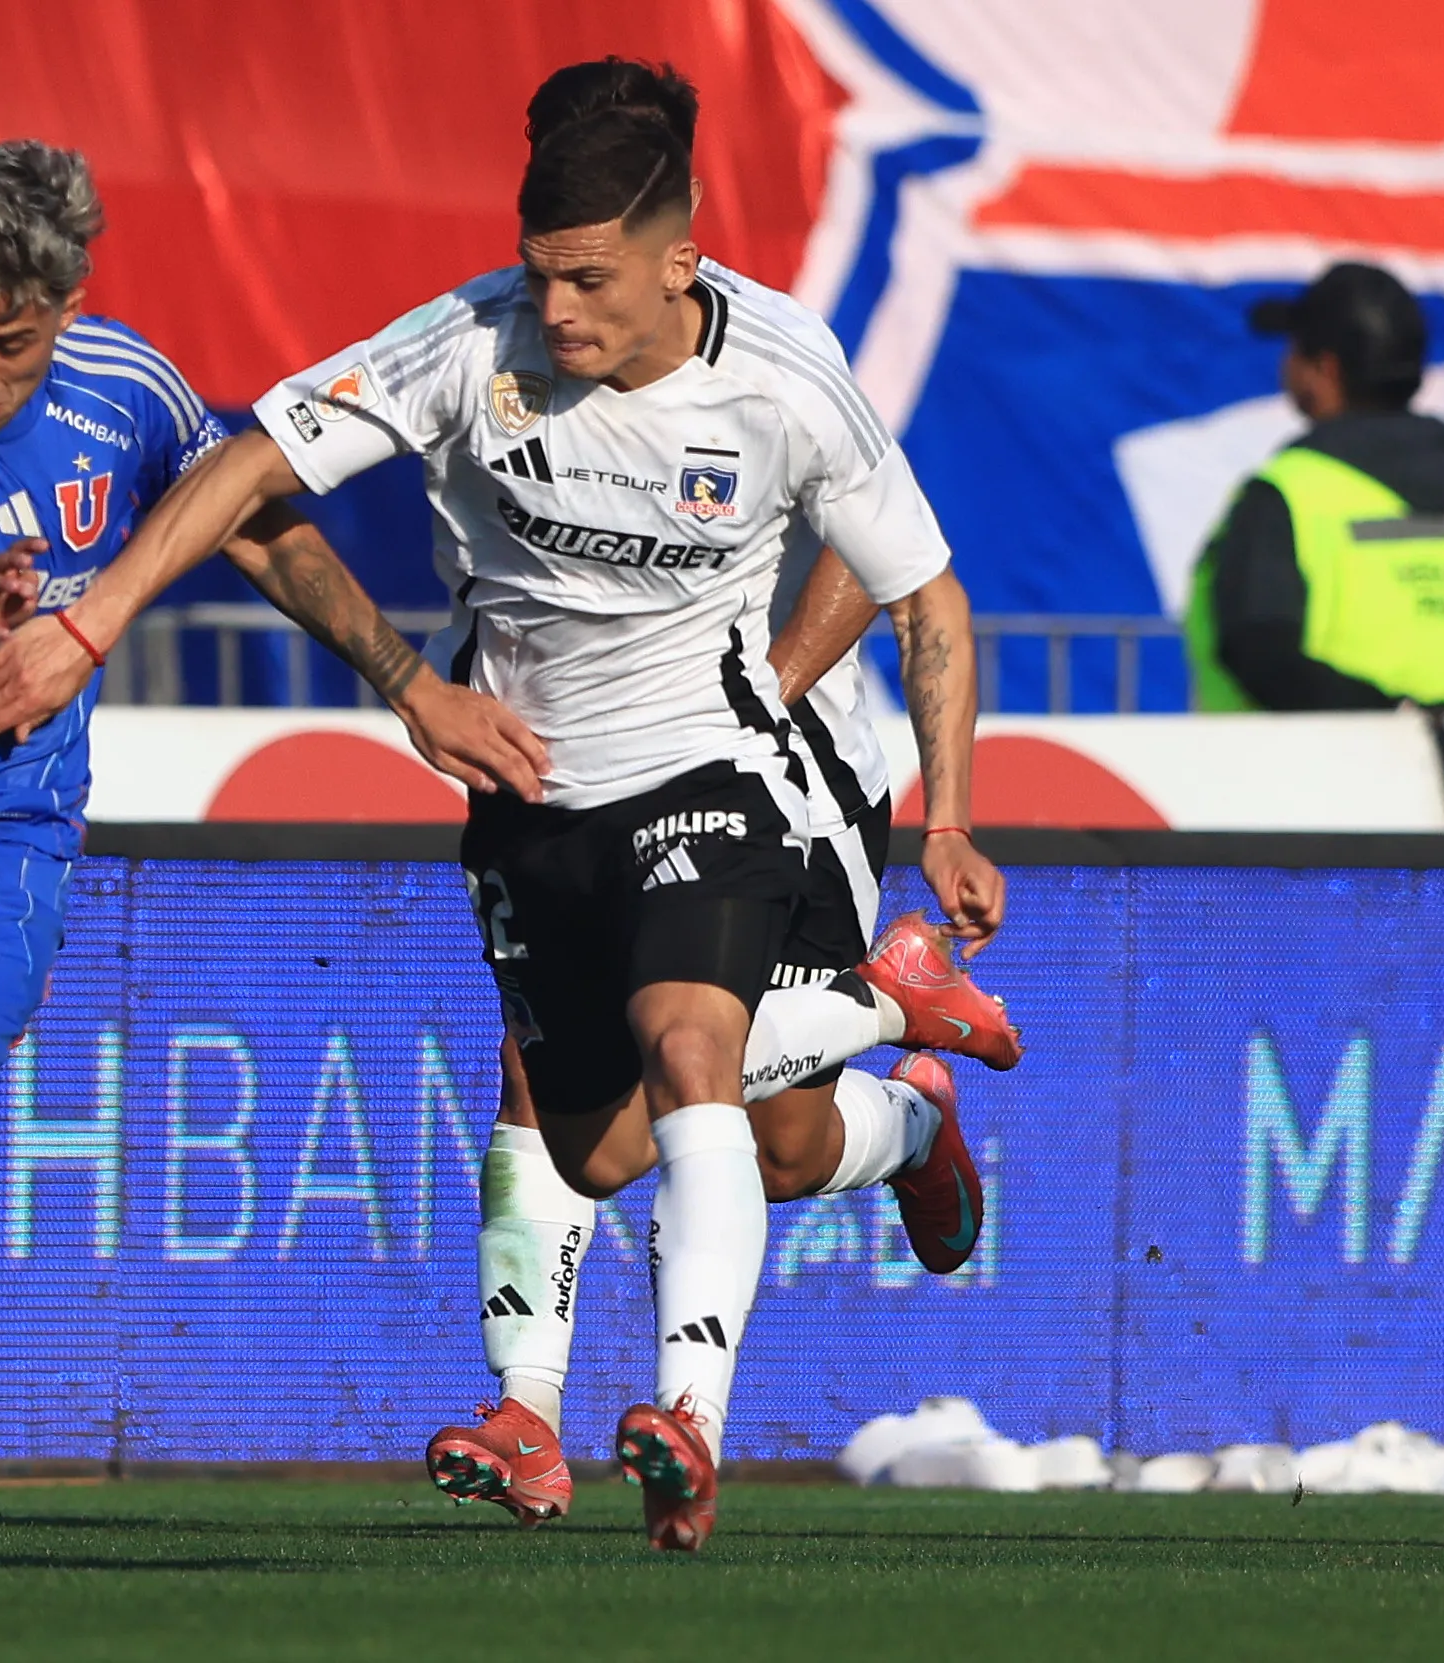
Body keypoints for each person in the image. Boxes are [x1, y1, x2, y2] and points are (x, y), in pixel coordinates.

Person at [0, 63, 1015, 1551]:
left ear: (676, 263)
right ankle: (899, 1066)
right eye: (540, 275)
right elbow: (249, 458)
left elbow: (921, 587)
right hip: (530, 789)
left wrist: (949, 813)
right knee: (610, 1144)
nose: (558, 311)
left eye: (587, 280)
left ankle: (662, 1422)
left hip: (729, 766)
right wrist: (94, 622)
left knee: (683, 1041)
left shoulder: (781, 372)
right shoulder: (465, 345)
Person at [0, 139, 530, 1563]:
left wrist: (409, 682)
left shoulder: (128, 395)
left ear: (64, 311)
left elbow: (267, 539)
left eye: (6, 344)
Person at [421, 59, 1020, 1532]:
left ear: (666, 210)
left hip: (773, 766)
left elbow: (881, 559)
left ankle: (883, 1014)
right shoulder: (515, 338)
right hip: (589, 780)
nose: (562, 280)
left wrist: (759, 688)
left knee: (701, 1082)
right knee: (689, 1129)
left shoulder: (758, 358)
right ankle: (907, 1122)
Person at [1187, 260, 1444, 713]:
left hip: (1332, 779)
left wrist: (1409, 727)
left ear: (1324, 370)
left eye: (1295, 350)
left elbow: (1260, 649)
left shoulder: (1289, 494)